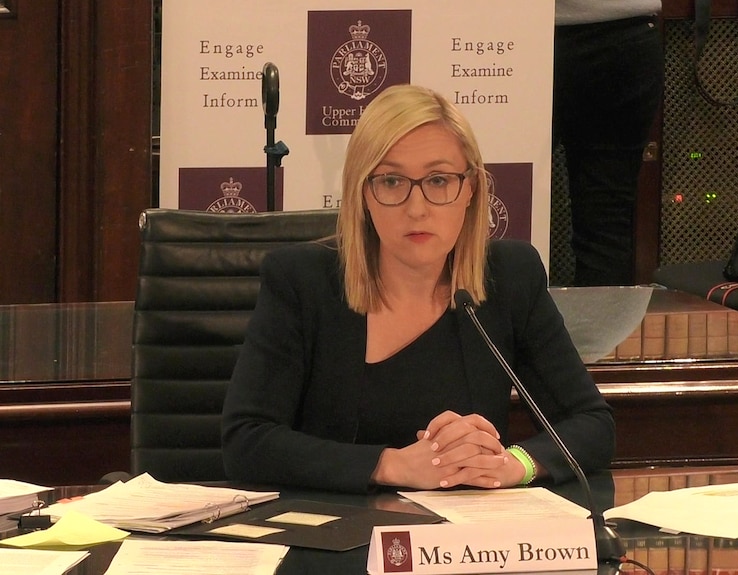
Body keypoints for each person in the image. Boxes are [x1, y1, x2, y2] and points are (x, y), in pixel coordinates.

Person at [221, 84, 614, 494]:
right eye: (392, 181)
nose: (417, 207)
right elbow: (246, 441)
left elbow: (591, 424)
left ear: (470, 190)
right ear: (363, 195)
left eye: (439, 180)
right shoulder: (302, 282)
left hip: (466, 544)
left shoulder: (510, 278)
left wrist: (512, 464)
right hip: (336, 536)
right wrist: (390, 465)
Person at [554, 1, 663, 286]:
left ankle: (485, 327)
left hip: (515, 31)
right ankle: (598, 330)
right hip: (625, 31)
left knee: (497, 195)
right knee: (606, 226)